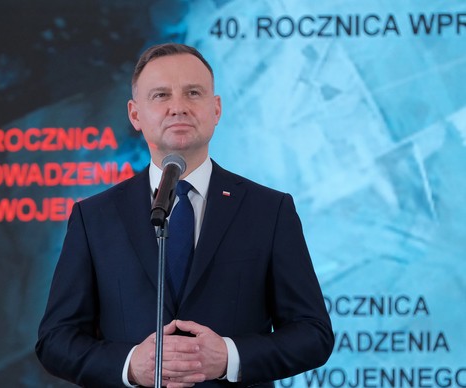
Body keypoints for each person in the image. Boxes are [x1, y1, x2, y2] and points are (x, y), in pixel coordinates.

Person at [36, 43, 334, 387]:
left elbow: (313, 334)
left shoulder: (269, 210)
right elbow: (55, 341)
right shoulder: (94, 218)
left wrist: (228, 356)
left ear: (216, 108)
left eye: (193, 93)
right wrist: (131, 365)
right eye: (161, 96)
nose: (178, 107)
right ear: (135, 114)